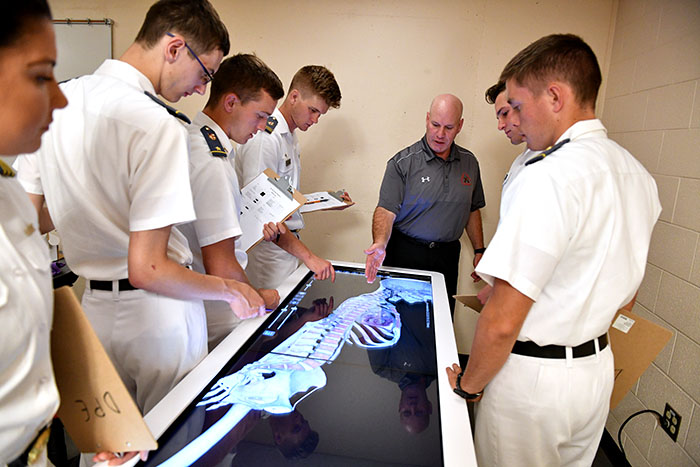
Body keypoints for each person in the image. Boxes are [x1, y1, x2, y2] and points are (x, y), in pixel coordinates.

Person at [14, 0, 265, 416]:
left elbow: (28, 220)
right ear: (174, 49)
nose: (202, 89)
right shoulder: (159, 122)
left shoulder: (60, 102)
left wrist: (87, 198)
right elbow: (147, 268)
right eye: (205, 73)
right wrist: (230, 289)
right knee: (173, 445)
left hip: (91, 311)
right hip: (159, 317)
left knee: (105, 450)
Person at [446, 34, 661, 466]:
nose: (517, 122)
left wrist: (470, 385)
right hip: (595, 372)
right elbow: (626, 296)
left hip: (532, 383)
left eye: (520, 107)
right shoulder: (637, 175)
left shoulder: (549, 175)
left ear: (555, 97)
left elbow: (503, 322)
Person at [177, 54, 285, 351]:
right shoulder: (213, 161)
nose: (262, 127)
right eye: (260, 115)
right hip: (217, 311)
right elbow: (221, 264)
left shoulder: (193, 138)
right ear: (231, 103)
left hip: (203, 300)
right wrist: (260, 298)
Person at [364, 94, 486, 315]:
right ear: (427, 119)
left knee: (440, 320)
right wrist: (380, 243)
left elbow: (472, 208)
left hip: (447, 257)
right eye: (435, 124)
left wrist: (479, 250)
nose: (440, 134)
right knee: (400, 321)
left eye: (448, 127)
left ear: (460, 126)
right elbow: (386, 209)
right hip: (406, 253)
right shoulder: (402, 163)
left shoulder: (470, 163)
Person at [235, 65, 343, 289]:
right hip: (268, 250)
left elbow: (280, 196)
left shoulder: (289, 135)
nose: (315, 120)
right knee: (270, 317)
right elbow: (261, 212)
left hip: (285, 244)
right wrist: (310, 258)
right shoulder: (266, 138)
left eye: (320, 114)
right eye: (313, 110)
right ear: (294, 96)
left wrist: (325, 201)